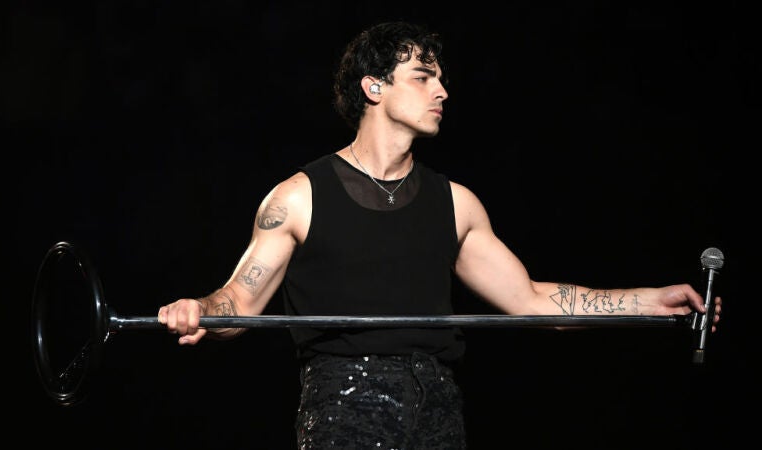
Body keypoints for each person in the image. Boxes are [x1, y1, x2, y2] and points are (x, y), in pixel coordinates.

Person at [158, 21, 723, 449]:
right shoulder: (297, 197)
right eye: (423, 77)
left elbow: (531, 300)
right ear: (374, 88)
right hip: (342, 413)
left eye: (441, 79)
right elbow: (240, 302)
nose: (442, 91)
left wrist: (650, 302)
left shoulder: (456, 203)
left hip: (437, 414)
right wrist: (200, 309)